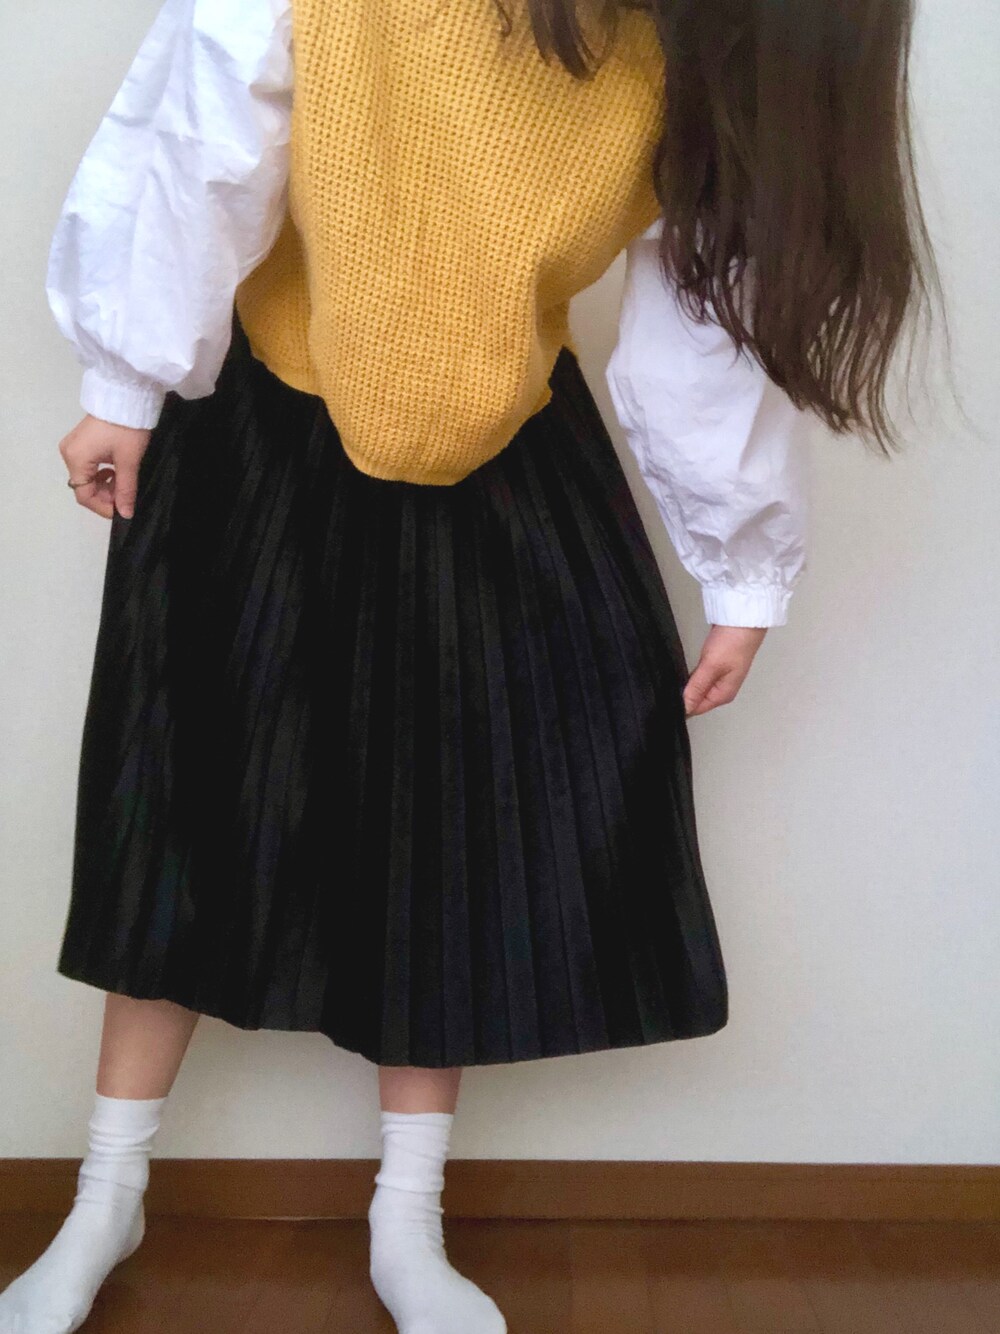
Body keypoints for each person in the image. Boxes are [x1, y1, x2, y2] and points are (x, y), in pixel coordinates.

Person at [2, 0, 936, 1330]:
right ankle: (106, 1191)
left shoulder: (693, 54)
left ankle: (408, 1212)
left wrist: (742, 568)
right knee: (190, 793)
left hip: (501, 443)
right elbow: (208, 113)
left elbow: (708, 309)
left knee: (448, 822)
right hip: (266, 412)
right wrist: (124, 379)